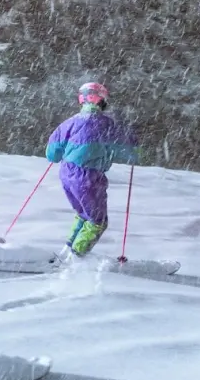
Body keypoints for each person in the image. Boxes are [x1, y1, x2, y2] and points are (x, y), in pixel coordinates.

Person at [46, 82, 138, 259]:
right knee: (97, 222)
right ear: (102, 100)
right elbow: (128, 151)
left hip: (67, 174)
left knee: (83, 215)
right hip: (89, 177)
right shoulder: (108, 124)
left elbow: (52, 154)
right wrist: (133, 145)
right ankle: (75, 257)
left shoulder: (69, 123)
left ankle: (66, 253)